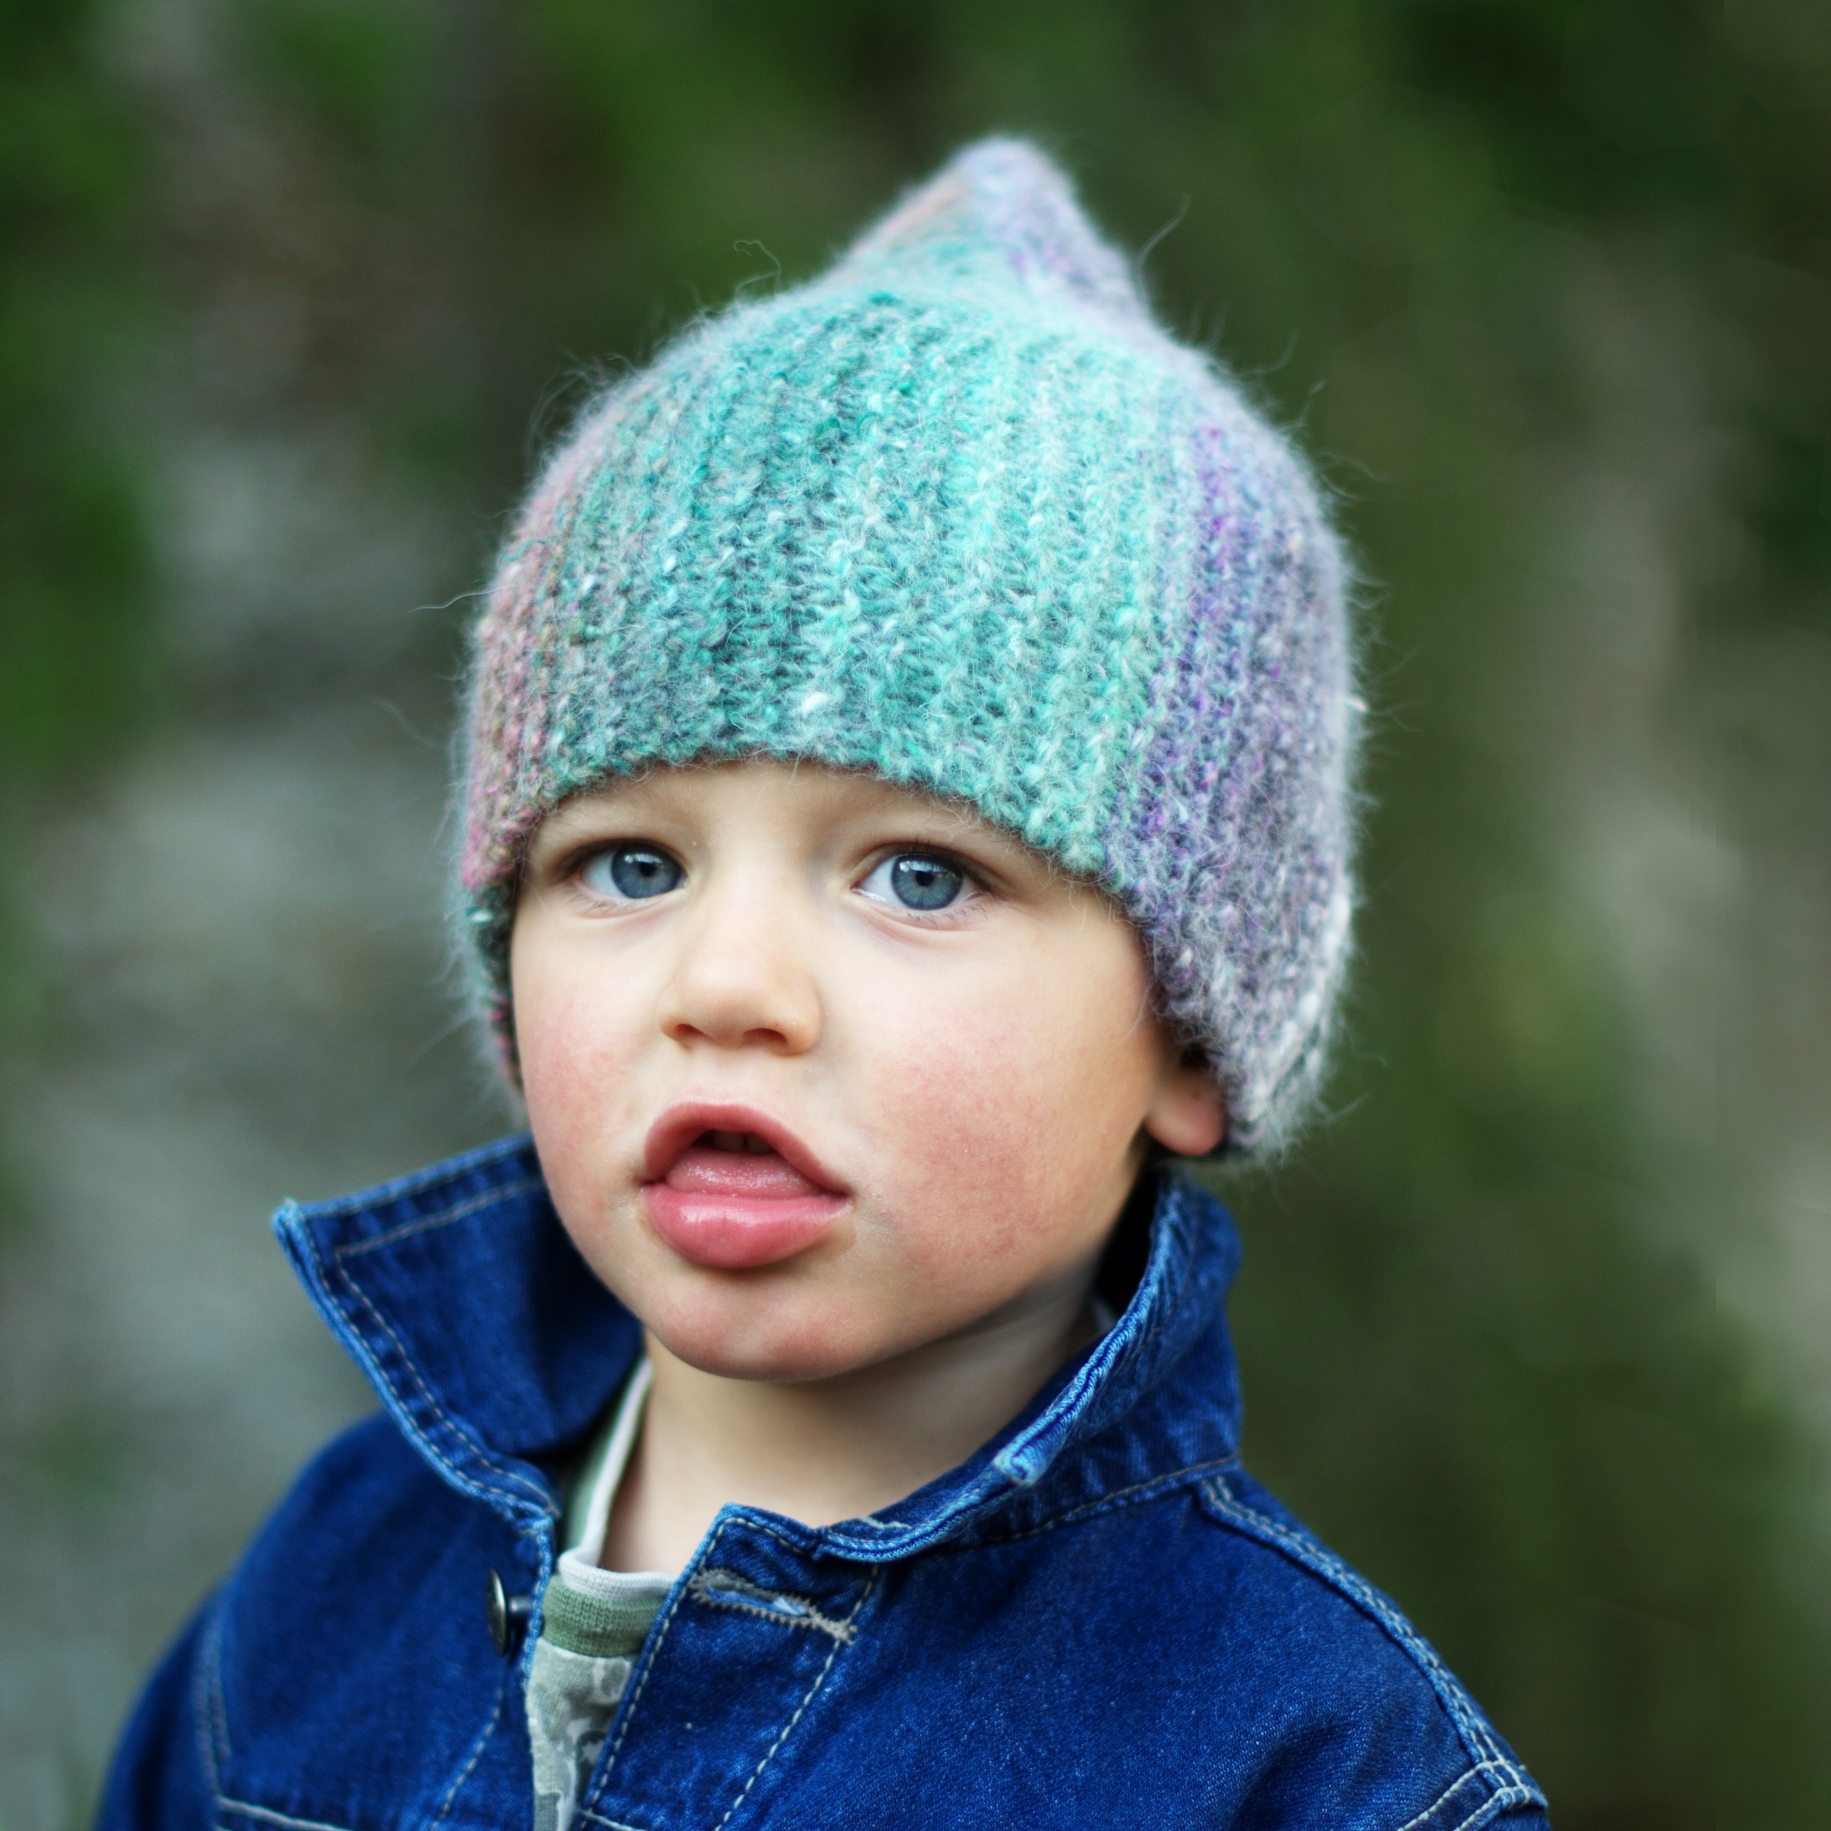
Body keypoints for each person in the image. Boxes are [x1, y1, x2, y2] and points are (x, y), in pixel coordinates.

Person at [99, 138, 1550, 1830]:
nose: (727, 984)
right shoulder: (329, 1588)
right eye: (630, 865)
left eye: (920, 876)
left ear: (1190, 1028)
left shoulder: (1302, 1766)